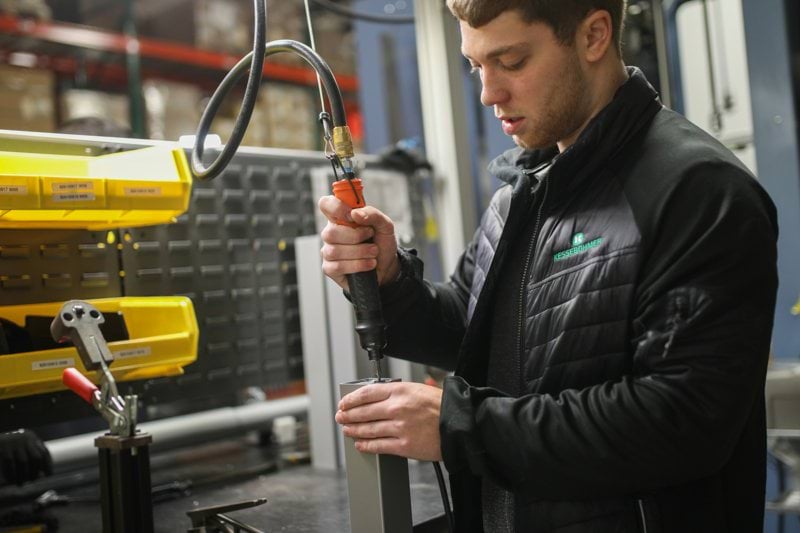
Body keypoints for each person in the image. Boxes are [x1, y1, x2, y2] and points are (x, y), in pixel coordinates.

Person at [318, 1, 778, 531]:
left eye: (511, 62)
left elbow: (680, 423)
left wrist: (457, 426)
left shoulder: (698, 191)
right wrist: (389, 280)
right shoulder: (522, 194)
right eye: (476, 66)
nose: (489, 93)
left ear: (594, 35)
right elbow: (469, 331)